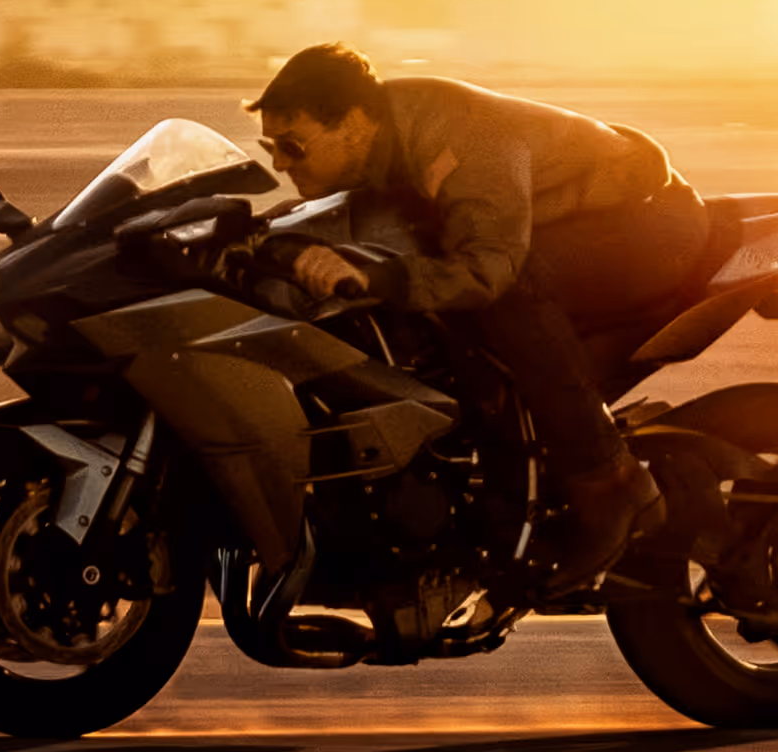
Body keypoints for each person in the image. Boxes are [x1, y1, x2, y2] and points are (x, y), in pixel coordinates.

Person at [245, 43, 711, 593]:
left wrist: (380, 279)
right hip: (554, 221)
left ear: (351, 122)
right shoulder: (373, 141)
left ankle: (613, 484)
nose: (280, 163)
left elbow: (489, 270)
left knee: (508, 295)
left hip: (649, 224)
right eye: (271, 147)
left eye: (292, 146)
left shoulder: (456, 139)